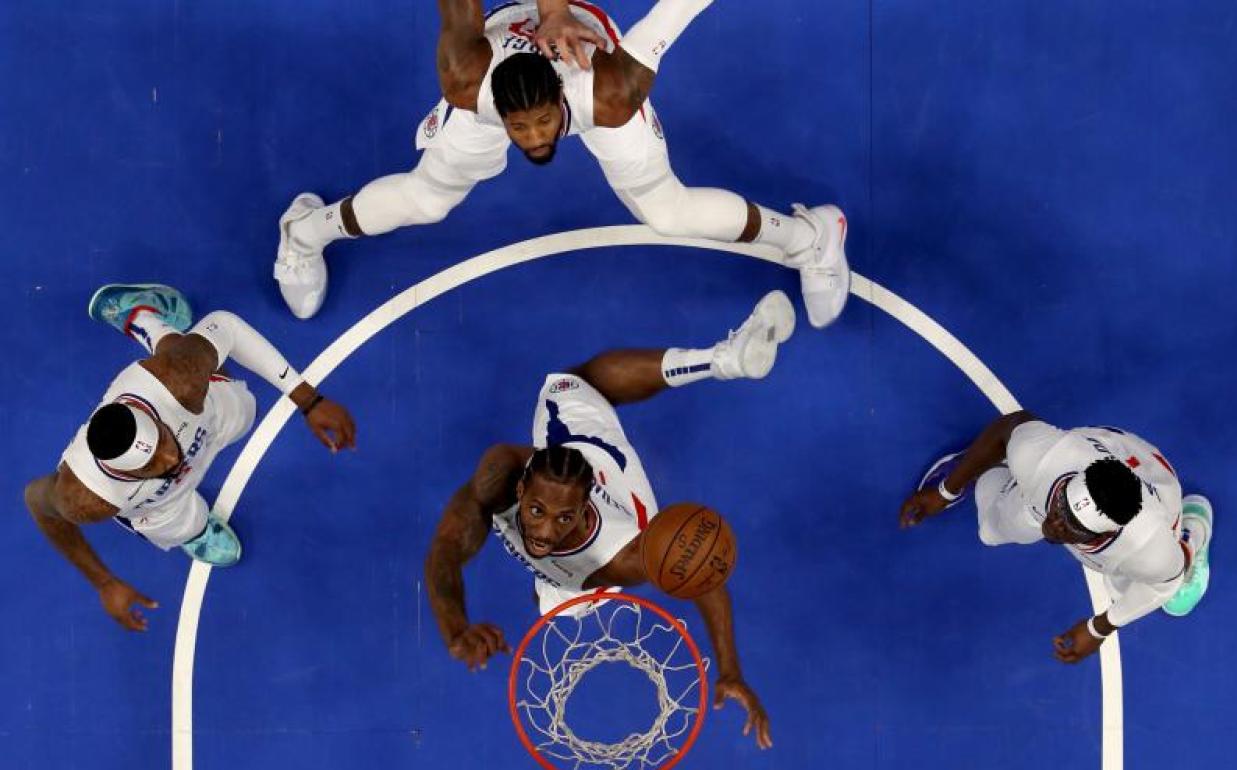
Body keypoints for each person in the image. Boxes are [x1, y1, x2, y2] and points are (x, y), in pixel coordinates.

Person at [275, 0, 850, 331]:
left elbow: (676, 9)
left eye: (543, 123)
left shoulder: (608, 92)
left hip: (582, 45)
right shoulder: (465, 82)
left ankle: (810, 237)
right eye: (520, 128)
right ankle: (302, 233)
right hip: (501, 53)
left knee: (667, 211)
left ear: (561, 107)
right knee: (427, 198)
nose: (533, 140)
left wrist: (556, 10)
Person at [424, 290, 796, 749]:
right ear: (520, 489)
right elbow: (445, 547)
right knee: (572, 384)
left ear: (584, 512)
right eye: (536, 511)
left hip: (616, 505)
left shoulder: (623, 559)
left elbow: (704, 578)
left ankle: (724, 359)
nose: (542, 531)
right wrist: (455, 628)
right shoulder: (501, 472)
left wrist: (730, 670)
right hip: (577, 438)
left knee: (577, 597)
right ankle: (722, 360)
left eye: (563, 519)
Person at [23, 284, 356, 631]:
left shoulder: (177, 382)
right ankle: (195, 531)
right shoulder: (87, 497)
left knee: (232, 397)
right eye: (151, 464)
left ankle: (141, 317)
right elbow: (37, 502)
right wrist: (104, 582)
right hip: (157, 505)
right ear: (122, 473)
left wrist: (309, 401)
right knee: (187, 526)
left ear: (152, 420)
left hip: (202, 416)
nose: (170, 458)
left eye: (162, 441)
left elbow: (224, 326)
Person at [899, 411, 1213, 665]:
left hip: (1160, 495)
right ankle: (991, 463)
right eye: (1061, 507)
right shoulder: (1048, 459)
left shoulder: (1146, 547)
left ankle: (1193, 531)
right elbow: (1009, 426)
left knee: (1133, 591)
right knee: (991, 531)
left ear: (1103, 532)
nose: (1054, 524)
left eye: (1069, 526)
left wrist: (1098, 628)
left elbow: (1164, 581)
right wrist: (945, 491)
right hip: (1103, 451)